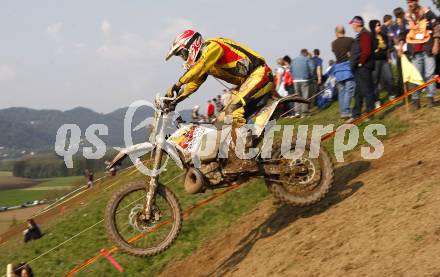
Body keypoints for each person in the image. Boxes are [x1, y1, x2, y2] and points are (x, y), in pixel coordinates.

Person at [164, 30, 274, 173]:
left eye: (183, 54)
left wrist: (177, 85)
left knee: (232, 111)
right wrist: (174, 101)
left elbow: (199, 68)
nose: (184, 59)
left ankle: (246, 158)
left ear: (192, 45)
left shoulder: (212, 47)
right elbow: (193, 84)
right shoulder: (204, 59)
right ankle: (233, 158)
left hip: (259, 74)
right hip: (245, 83)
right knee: (220, 122)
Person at [398, 0, 440, 109]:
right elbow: (402, 33)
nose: (409, 4)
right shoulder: (406, 17)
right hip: (414, 51)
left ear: (417, 1)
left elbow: (436, 27)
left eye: (411, 2)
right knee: (414, 76)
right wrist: (400, 46)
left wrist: (436, 44)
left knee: (429, 75)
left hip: (428, 48)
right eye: (408, 3)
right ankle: (415, 100)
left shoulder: (428, 13)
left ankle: (431, 99)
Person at [348, 16, 375, 122]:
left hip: (364, 67)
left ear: (358, 23)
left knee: (367, 91)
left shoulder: (365, 35)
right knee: (358, 92)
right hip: (360, 68)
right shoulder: (361, 35)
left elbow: (366, 51)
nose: (352, 26)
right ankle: (356, 114)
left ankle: (370, 114)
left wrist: (360, 63)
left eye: (353, 23)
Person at [369, 19, 395, 107]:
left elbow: (387, 47)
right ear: (373, 27)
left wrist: (389, 57)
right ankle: (376, 100)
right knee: (375, 82)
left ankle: (391, 95)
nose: (379, 26)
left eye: (379, 25)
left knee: (389, 77)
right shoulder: (370, 37)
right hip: (375, 62)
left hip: (384, 60)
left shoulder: (383, 36)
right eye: (377, 25)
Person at [331, 25, 355, 119]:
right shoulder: (350, 40)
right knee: (349, 90)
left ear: (336, 33)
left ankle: (342, 111)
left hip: (338, 69)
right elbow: (352, 53)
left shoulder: (333, 43)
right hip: (347, 67)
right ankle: (345, 111)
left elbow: (335, 51)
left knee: (341, 91)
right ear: (344, 31)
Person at [291, 49, 314, 118]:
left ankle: (297, 112)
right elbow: (312, 68)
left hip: (295, 80)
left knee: (297, 97)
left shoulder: (294, 60)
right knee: (305, 97)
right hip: (304, 79)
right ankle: (304, 113)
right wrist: (311, 77)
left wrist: (294, 77)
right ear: (306, 53)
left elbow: (290, 70)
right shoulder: (307, 59)